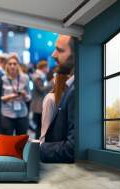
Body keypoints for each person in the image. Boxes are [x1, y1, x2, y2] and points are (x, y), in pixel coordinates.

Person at [40, 35, 75, 163]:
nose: (53, 55)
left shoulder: (75, 90)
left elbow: (72, 148)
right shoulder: (69, 88)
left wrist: (39, 148)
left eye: (60, 50)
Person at [0, 54, 31, 135]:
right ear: (6, 66)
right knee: (7, 140)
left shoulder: (25, 78)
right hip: (7, 113)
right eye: (10, 64)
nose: (12, 66)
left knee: (21, 140)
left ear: (18, 65)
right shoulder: (2, 79)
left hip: (22, 113)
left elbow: (29, 97)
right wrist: (10, 96)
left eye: (15, 64)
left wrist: (24, 95)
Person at [40, 72, 69, 143]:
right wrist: (42, 145)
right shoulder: (51, 98)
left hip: (65, 141)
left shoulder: (69, 96)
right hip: (53, 143)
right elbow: (45, 126)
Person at [31, 60, 53, 139]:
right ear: (43, 67)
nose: (48, 69)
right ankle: (37, 144)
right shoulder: (38, 77)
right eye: (47, 67)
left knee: (39, 126)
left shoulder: (39, 76)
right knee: (40, 127)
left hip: (38, 104)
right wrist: (51, 83)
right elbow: (41, 89)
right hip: (38, 106)